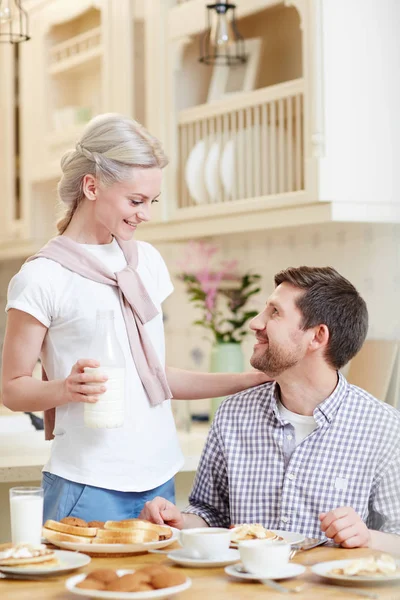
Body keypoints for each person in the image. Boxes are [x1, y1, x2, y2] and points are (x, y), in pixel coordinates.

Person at [1, 113, 268, 523]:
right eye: (135, 201)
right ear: (92, 186)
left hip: (160, 480)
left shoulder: (147, 263)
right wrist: (68, 389)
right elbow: (13, 389)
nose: (146, 214)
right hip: (87, 484)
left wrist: (246, 381)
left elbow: (155, 377)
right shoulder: (42, 277)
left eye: (152, 201)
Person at [140, 266, 400, 554]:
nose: (255, 322)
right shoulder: (234, 415)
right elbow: (210, 514)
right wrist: (179, 521)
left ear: (317, 337)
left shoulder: (384, 428)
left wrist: (367, 537)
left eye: (274, 312)